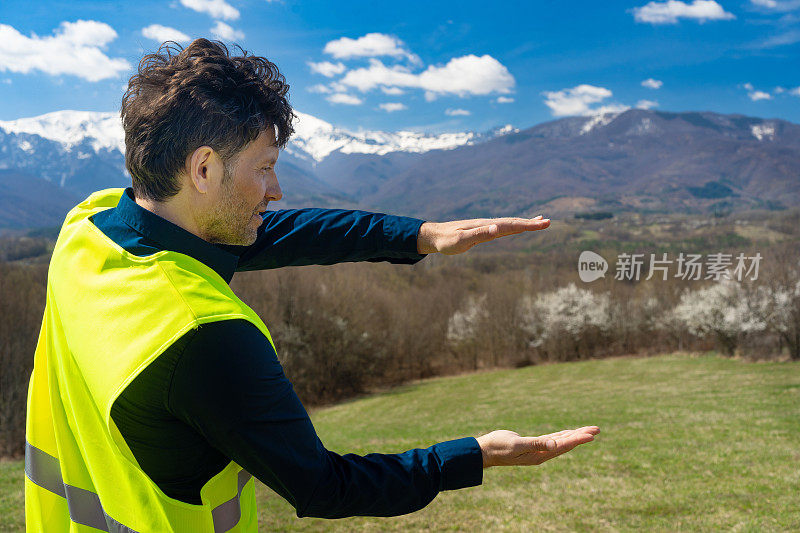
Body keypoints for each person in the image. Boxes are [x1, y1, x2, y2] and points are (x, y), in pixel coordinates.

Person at [24, 38, 599, 532]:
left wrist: (418, 236)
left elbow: (276, 234)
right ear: (202, 170)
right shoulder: (202, 337)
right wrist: (475, 455)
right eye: (265, 166)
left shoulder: (91, 229)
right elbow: (325, 486)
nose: (275, 190)